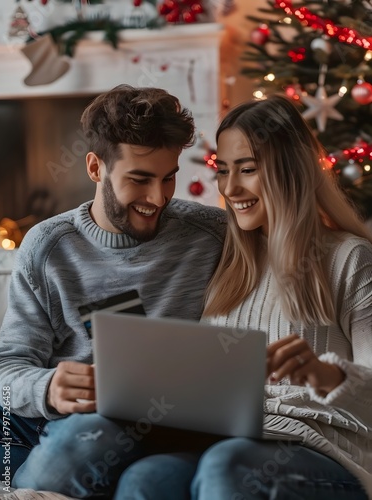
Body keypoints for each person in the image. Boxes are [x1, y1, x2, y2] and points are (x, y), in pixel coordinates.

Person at [115, 94, 372, 499]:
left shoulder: (349, 258)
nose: (230, 188)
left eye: (248, 169)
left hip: (324, 448)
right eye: (223, 170)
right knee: (145, 478)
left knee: (227, 466)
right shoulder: (227, 264)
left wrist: (326, 374)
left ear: (292, 170)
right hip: (229, 436)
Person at [0, 84, 227, 498]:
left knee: (94, 439)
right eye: (139, 180)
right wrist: (48, 388)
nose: (158, 198)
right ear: (95, 168)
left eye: (168, 177)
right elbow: (7, 370)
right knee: (85, 431)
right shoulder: (48, 246)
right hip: (71, 423)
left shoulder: (212, 235)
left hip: (175, 431)